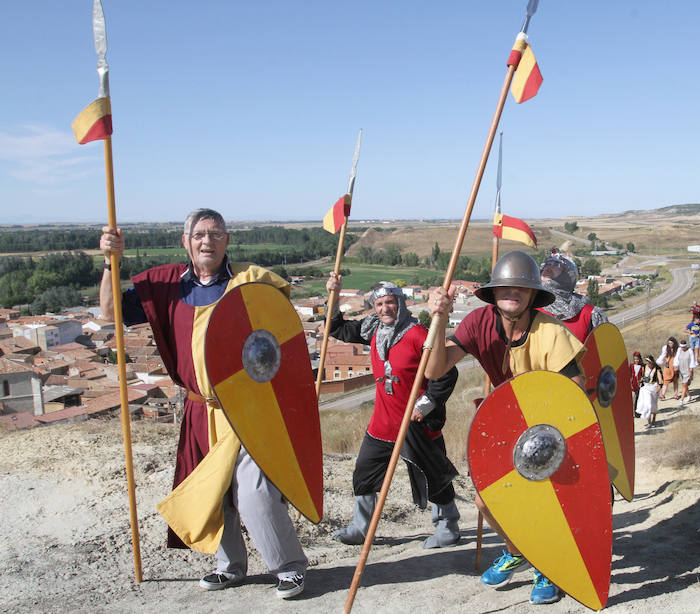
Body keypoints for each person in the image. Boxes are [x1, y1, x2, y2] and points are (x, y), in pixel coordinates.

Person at [99, 209, 308, 599]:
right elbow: (110, 314)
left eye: (215, 234)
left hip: (247, 409)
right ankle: (230, 567)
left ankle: (290, 566)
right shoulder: (167, 287)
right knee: (212, 491)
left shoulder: (249, 283)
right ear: (186, 242)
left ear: (227, 240)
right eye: (198, 234)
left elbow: (282, 328)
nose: (206, 241)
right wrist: (111, 263)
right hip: (199, 407)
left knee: (254, 492)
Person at [425, 250, 585, 606]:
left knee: (538, 500)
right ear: (494, 292)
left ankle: (547, 566)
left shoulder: (550, 332)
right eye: (505, 288)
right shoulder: (478, 323)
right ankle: (518, 550)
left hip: (550, 428)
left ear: (532, 293)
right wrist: (439, 319)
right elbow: (434, 370)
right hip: (509, 422)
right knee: (485, 500)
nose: (512, 294)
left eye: (520, 288)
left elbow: (576, 388)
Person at [324, 275, 460, 549]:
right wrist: (334, 295)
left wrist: (425, 405)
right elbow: (335, 327)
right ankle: (361, 528)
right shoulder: (371, 329)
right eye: (379, 303)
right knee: (364, 473)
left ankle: (448, 527)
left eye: (390, 302)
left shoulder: (418, 334)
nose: (385, 308)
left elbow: (447, 372)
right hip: (383, 422)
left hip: (415, 424)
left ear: (400, 303)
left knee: (434, 474)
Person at [537, 248, 608, 341]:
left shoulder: (591, 315)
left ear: (567, 274)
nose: (547, 268)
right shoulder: (528, 311)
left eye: (555, 265)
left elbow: (606, 351)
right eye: (546, 264)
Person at [636, 353, 662, 428]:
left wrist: (659, 388)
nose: (648, 364)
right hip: (646, 388)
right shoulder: (644, 367)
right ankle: (649, 422)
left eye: (649, 362)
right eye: (647, 362)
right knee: (647, 405)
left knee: (653, 405)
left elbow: (660, 379)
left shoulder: (657, 369)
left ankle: (653, 419)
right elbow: (641, 375)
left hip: (654, 387)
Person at [674, 340, 698, 405]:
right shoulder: (679, 350)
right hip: (681, 370)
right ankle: (689, 395)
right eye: (681, 347)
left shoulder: (690, 351)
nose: (682, 348)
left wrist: (691, 370)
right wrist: (676, 366)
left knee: (684, 385)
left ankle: (681, 400)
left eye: (683, 347)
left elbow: (692, 360)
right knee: (684, 385)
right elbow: (676, 358)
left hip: (688, 370)